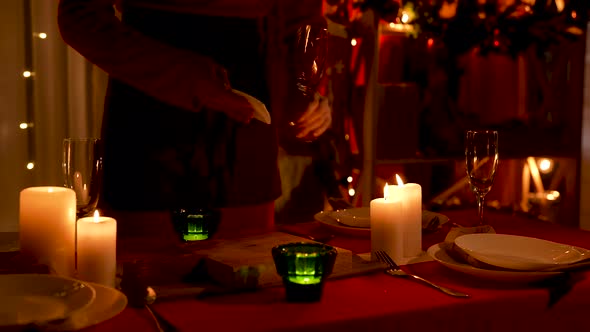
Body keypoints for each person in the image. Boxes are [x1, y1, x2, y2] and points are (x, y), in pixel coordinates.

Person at [57, 0, 332, 238]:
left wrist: (303, 88)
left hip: (246, 133)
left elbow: (303, 21)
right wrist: (187, 78)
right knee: (151, 280)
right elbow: (79, 16)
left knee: (250, 276)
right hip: (151, 126)